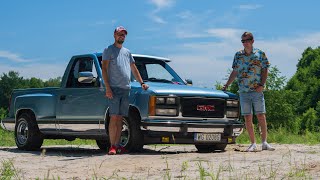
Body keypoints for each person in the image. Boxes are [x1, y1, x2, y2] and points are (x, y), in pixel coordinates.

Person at [223, 32, 275, 152]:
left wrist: (262, 85)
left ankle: (264, 142)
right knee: (247, 117)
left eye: (247, 40)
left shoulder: (260, 54)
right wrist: (227, 84)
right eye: (243, 41)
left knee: (261, 115)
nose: (245, 42)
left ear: (252, 40)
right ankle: (253, 143)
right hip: (243, 90)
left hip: (257, 90)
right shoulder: (238, 55)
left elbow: (265, 70)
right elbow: (235, 72)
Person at [101, 26, 149, 155]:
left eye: (123, 35)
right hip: (113, 88)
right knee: (114, 117)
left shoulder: (127, 52)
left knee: (121, 118)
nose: (121, 36)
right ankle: (112, 146)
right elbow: (104, 69)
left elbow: (134, 69)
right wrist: (108, 87)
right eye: (119, 34)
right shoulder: (108, 50)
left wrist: (142, 83)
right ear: (114, 35)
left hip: (125, 89)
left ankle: (118, 146)